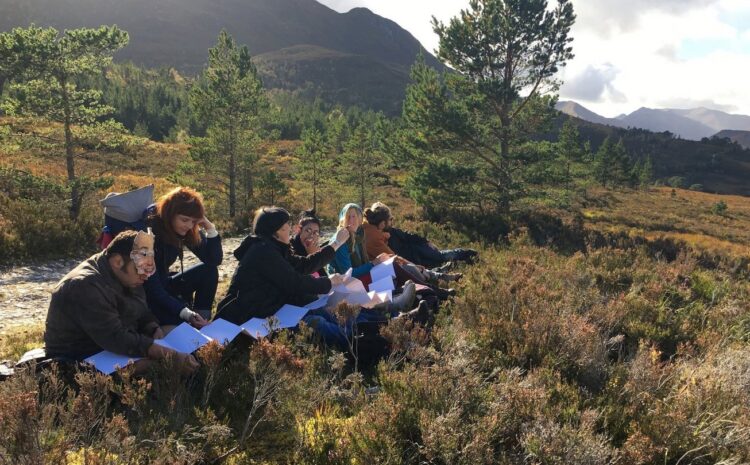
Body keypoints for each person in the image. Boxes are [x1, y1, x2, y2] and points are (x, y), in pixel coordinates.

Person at [215, 206, 417, 348]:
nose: (288, 232)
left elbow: (303, 265)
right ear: (275, 232)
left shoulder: (274, 248)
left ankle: (393, 323)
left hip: (274, 312)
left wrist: (334, 246)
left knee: (327, 314)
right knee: (321, 323)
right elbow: (294, 283)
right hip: (251, 321)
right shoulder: (263, 252)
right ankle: (384, 340)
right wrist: (328, 282)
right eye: (286, 228)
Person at [44, 230, 199, 373]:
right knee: (160, 365)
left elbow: (141, 309)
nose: (145, 276)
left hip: (113, 342)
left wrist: (151, 325)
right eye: (141, 269)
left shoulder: (128, 274)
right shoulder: (85, 285)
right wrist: (167, 355)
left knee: (175, 333)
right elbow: (115, 338)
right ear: (118, 261)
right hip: (80, 355)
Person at [144, 187, 222, 327]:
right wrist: (185, 313)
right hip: (146, 295)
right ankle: (195, 322)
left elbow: (213, 260)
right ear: (169, 214)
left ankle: (201, 320)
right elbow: (152, 289)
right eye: (185, 220)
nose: (189, 225)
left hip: (165, 285)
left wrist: (210, 228)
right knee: (181, 323)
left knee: (208, 271)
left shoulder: (182, 229)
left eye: (193, 221)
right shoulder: (150, 236)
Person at [362, 202, 462, 283]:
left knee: (421, 266)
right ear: (383, 223)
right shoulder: (374, 237)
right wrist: (414, 265)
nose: (392, 222)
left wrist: (425, 241)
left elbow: (407, 236)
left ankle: (441, 274)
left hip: (400, 262)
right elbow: (392, 258)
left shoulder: (380, 232)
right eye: (390, 219)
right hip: (385, 270)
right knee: (414, 270)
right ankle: (440, 283)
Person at [327, 203, 390, 286]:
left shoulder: (359, 236)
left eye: (354, 216)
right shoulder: (340, 241)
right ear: (342, 220)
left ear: (360, 219)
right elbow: (348, 274)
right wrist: (373, 263)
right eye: (347, 217)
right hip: (342, 285)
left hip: (356, 280)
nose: (350, 220)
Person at [290, 209, 327, 277]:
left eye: (315, 232)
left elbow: (323, 276)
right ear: (299, 231)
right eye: (308, 231)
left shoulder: (314, 248)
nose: (311, 236)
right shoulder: (291, 249)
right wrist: (311, 256)